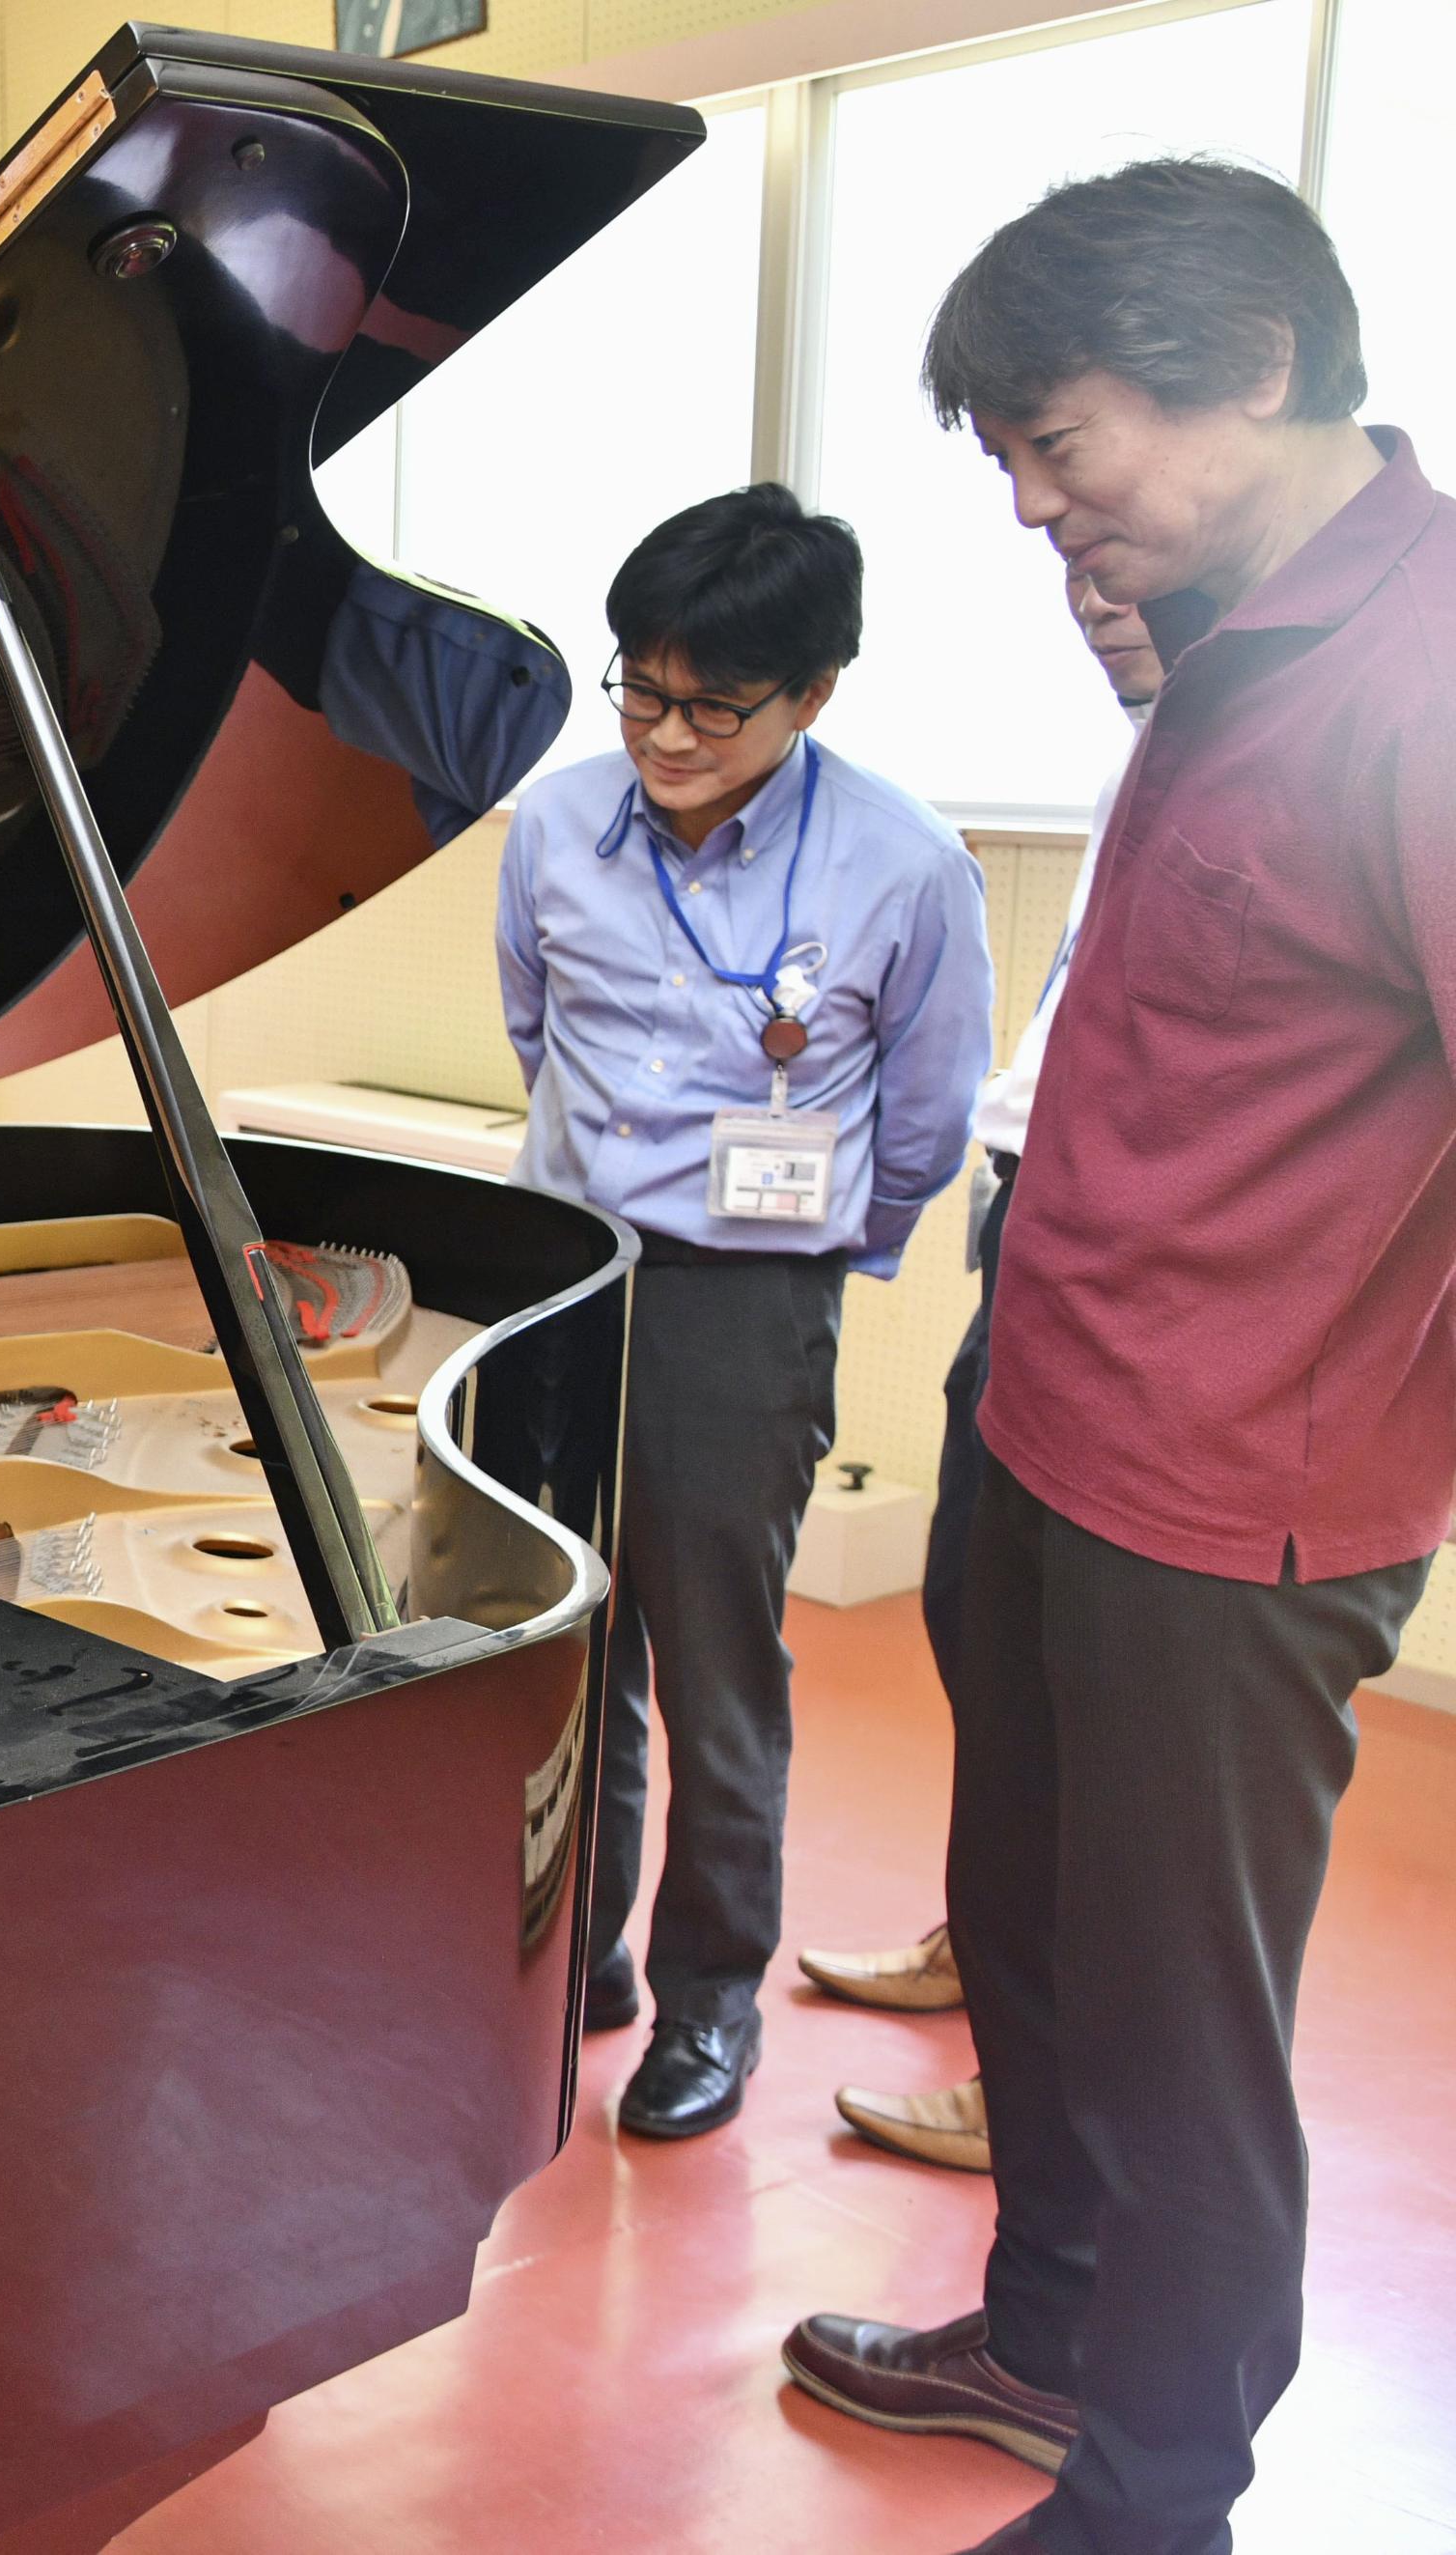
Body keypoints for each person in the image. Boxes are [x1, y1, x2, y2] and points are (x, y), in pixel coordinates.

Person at [782, 160, 1452, 2555]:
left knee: (1183, 2036)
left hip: (1228, 1494)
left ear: (1253, 372)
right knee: (1038, 1945)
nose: (1046, 505)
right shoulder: (1219, 613)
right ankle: (1046, 2333)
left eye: (1060, 444)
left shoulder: (1428, 676)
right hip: (1046, 1410)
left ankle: (1155, 2492)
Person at [498, 484, 994, 2140]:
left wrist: (802, 1274)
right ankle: (587, 1954)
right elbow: (530, 1028)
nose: (668, 731)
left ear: (815, 694)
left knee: (717, 1666)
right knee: (571, 1646)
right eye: (640, 687)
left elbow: (923, 1122)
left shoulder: (905, 863)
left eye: (716, 704)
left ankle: (711, 2001)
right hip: (562, 1283)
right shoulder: (557, 825)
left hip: (744, 1298)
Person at [807, 564, 1164, 2180]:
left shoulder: (1309, 745)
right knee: (983, 1628)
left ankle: (1043, 2079)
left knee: (1093, 1701)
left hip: (1127, 1275)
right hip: (1035, 1223)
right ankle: (989, 1954)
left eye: (1128, 567)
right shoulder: (1147, 751)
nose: (1097, 597)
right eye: (1080, 579)